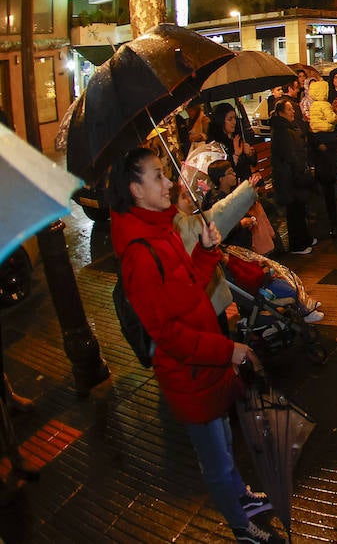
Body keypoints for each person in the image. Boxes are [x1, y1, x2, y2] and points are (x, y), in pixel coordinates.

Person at [108, 147, 283, 544]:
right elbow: (168, 334)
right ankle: (242, 528)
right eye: (158, 176)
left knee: (223, 441)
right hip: (189, 372)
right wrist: (228, 350)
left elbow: (189, 287)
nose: (170, 182)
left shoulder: (161, 229)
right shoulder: (138, 253)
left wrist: (205, 251)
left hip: (207, 361)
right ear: (135, 189)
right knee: (216, 460)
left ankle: (241, 496)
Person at [268, 98, 316, 255]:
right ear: (281, 112)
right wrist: (300, 169)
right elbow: (290, 155)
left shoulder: (288, 127)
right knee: (294, 211)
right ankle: (297, 245)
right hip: (288, 178)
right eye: (289, 109)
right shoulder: (281, 130)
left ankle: (305, 239)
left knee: (299, 208)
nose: (293, 112)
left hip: (293, 175)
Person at [306, 77, 337, 236]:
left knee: (327, 192)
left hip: (322, 161)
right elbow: (331, 119)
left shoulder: (313, 107)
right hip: (331, 151)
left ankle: (332, 224)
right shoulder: (325, 105)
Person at [206, 103, 256, 183]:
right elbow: (223, 171)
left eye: (235, 118)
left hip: (247, 180)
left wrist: (249, 153)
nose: (234, 122)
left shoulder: (239, 136)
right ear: (221, 121)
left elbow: (253, 162)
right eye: (230, 119)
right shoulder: (216, 144)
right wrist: (236, 154)